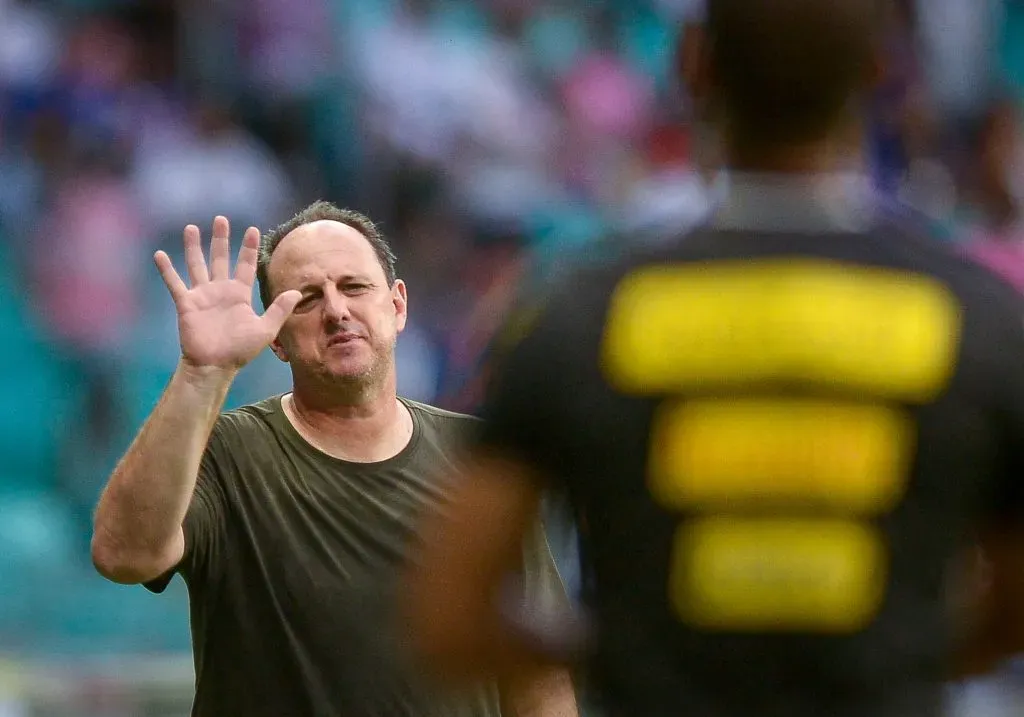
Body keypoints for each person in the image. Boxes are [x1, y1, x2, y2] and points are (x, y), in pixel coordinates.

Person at [402, 1, 1024, 715]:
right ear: (881, 71)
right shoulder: (976, 318)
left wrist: (624, 651)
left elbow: (449, 615)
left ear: (694, 66)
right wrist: (893, 653)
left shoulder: (579, 314)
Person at [90, 201, 576, 717]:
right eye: (306, 299)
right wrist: (202, 372)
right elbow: (124, 555)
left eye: (354, 286)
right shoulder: (224, 454)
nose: (337, 310)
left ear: (398, 304)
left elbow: (537, 681)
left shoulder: (480, 457)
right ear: (276, 339)